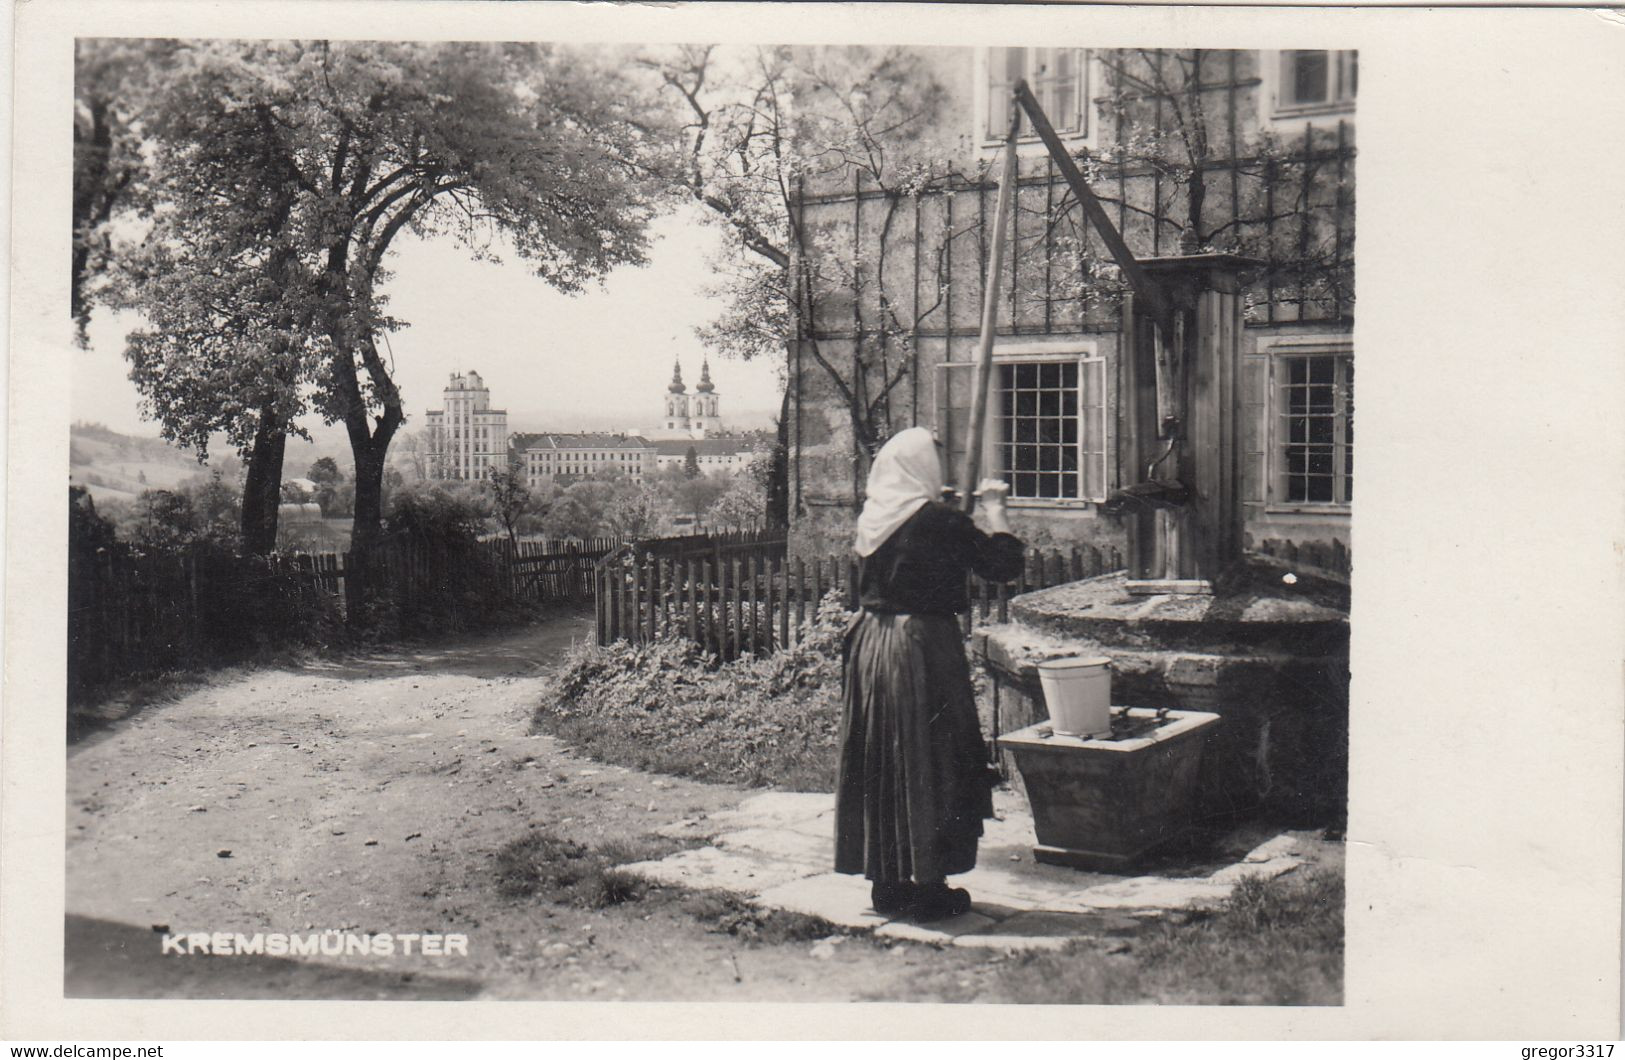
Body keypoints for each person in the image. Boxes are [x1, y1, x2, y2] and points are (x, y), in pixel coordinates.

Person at [833, 427, 1025, 921]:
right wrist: (996, 510)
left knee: (884, 758)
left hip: (873, 645)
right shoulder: (938, 522)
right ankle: (930, 885)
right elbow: (1001, 566)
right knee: (930, 755)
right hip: (921, 647)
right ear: (923, 469)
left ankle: (888, 880)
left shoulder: (876, 516)